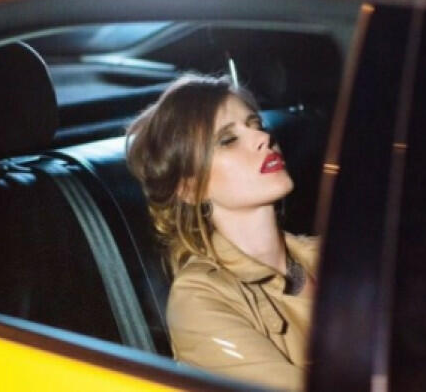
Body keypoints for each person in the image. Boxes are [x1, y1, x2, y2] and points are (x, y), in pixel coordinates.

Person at [126, 74, 318, 391]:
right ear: (189, 188)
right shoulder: (199, 301)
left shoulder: (331, 254)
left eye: (256, 124)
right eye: (228, 140)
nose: (262, 137)